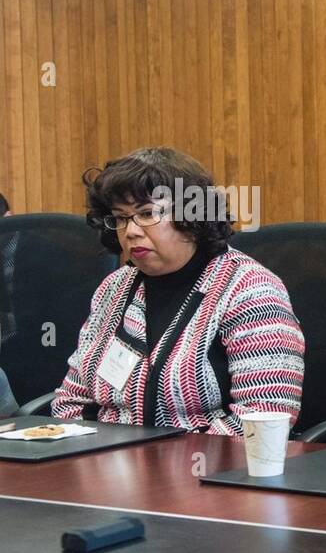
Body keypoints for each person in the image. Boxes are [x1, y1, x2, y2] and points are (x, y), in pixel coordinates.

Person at [51, 148, 305, 434]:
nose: (131, 231)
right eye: (121, 218)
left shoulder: (250, 289)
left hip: (205, 471)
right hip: (106, 467)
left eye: (146, 214)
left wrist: (161, 468)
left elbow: (264, 418)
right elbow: (72, 401)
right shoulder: (114, 287)